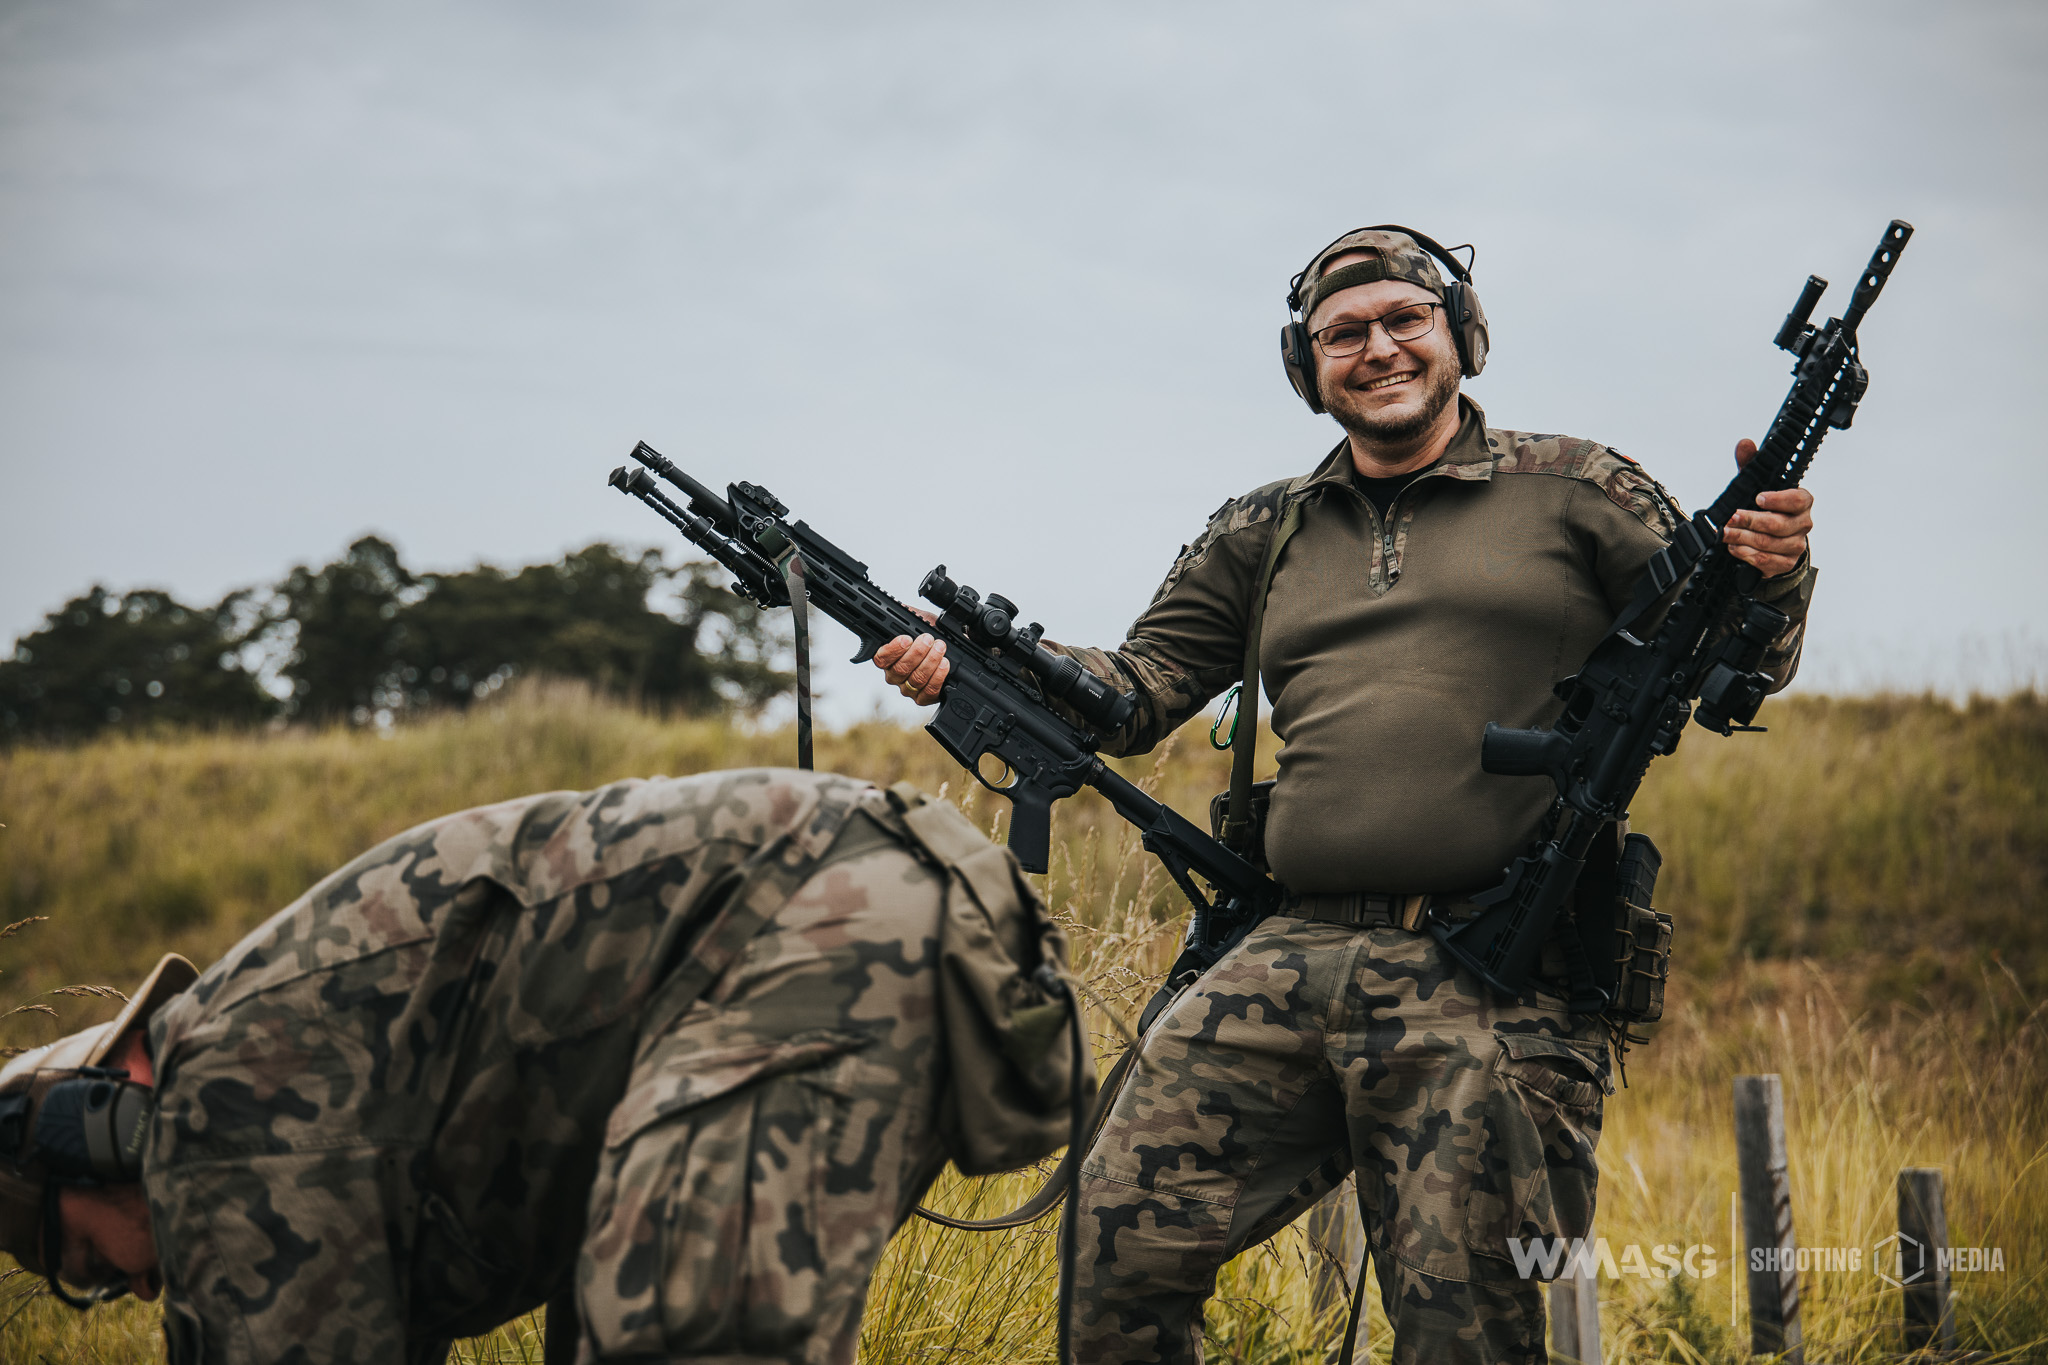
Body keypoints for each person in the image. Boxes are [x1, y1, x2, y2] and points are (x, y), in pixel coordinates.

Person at [874, 226, 1815, 1363]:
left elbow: (1725, 660)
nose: (1378, 349)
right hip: (1286, 952)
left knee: (1464, 1325)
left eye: (1404, 320)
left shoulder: (1580, 489)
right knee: (1117, 1238)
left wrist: (1775, 572)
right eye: (1343, 334)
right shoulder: (1260, 529)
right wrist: (976, 663)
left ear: (1461, 336)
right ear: (1305, 365)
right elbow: (1135, 691)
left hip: (1492, 967)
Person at [0, 767, 1085, 1365]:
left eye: (87, 1263)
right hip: (857, 915)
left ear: (92, 1131)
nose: (137, 1287)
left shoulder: (216, 1110)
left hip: (815, 928)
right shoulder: (257, 1060)